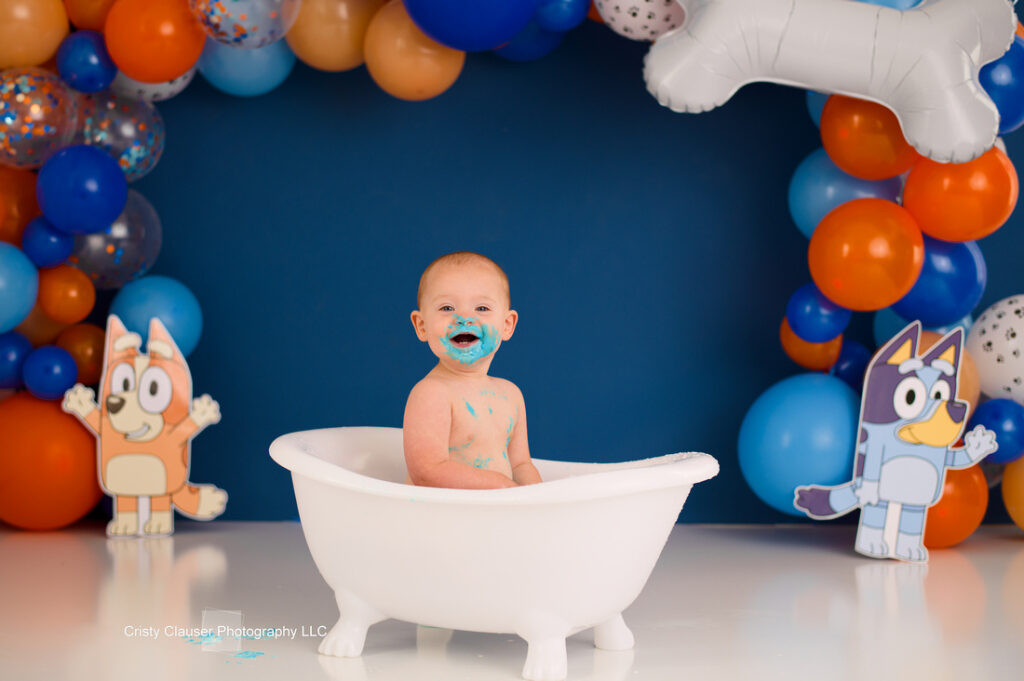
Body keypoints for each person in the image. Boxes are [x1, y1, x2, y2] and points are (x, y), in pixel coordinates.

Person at [403, 251, 542, 489]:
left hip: (496, 509)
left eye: (482, 308)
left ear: (507, 325)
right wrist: (500, 486)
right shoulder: (432, 393)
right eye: (447, 307)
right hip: (442, 511)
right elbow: (427, 471)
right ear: (422, 325)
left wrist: (540, 499)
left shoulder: (511, 395)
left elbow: (521, 465)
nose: (465, 318)